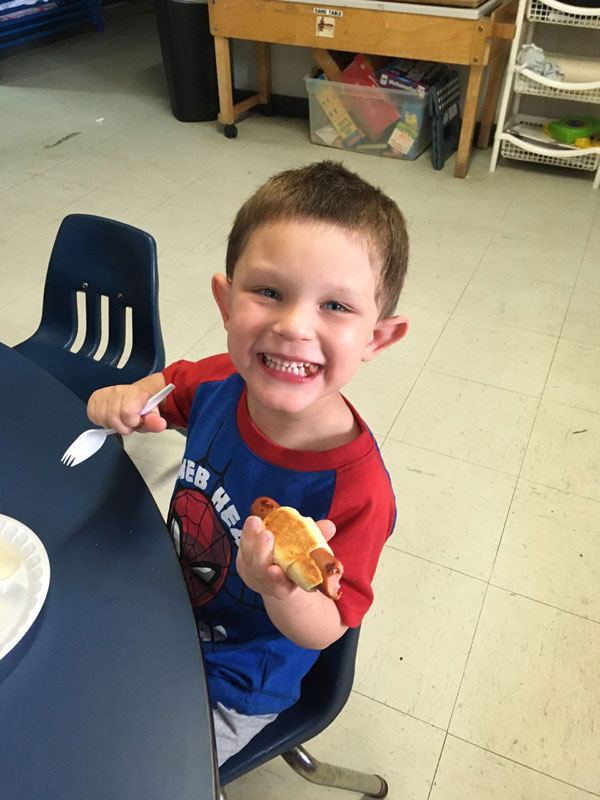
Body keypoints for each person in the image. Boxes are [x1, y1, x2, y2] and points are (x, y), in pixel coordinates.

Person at [87, 160, 409, 766]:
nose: (293, 326)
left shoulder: (359, 492)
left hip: (235, 681)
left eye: (336, 306)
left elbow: (328, 627)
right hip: (155, 605)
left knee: (128, 771)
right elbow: (166, 387)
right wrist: (126, 397)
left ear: (377, 338)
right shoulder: (219, 380)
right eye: (269, 292)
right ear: (226, 301)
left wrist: (279, 590)